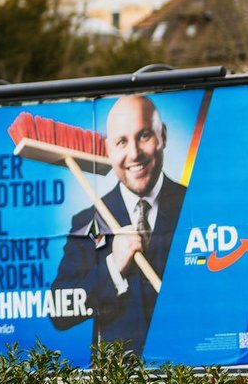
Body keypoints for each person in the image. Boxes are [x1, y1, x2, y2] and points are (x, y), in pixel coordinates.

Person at [49, 94, 187, 353]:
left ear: (163, 136)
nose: (134, 154)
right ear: (108, 149)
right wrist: (113, 266)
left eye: (144, 135)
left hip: (186, 372)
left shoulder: (194, 206)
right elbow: (59, 311)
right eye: (122, 141)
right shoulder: (87, 221)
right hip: (119, 383)